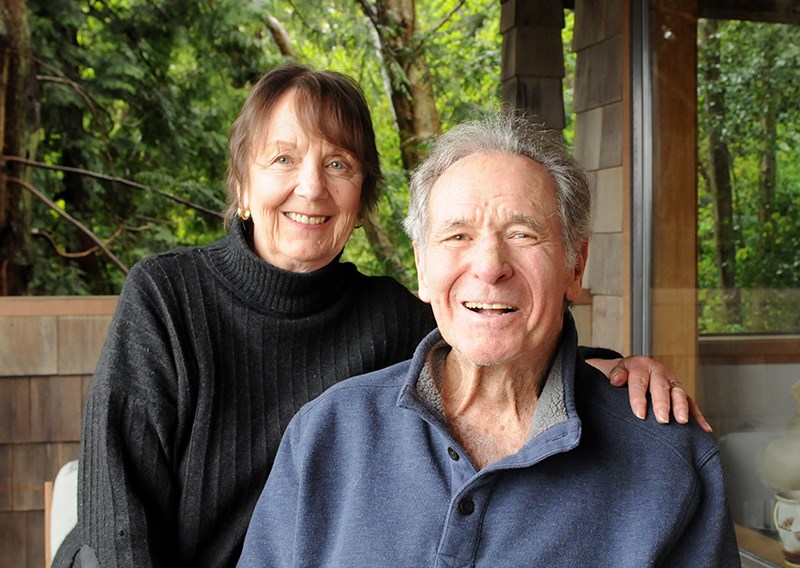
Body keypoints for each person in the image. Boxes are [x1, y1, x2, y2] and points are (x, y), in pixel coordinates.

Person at [56, 64, 705, 568]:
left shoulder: (393, 316)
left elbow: (498, 337)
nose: (310, 187)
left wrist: (617, 370)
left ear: (362, 198)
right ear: (242, 187)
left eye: (337, 164)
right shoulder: (168, 298)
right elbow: (117, 519)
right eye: (282, 159)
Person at [237, 110, 739, 567]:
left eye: (523, 234)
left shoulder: (671, 462)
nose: (490, 267)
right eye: (457, 235)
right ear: (421, 266)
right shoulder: (327, 434)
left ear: (575, 265)